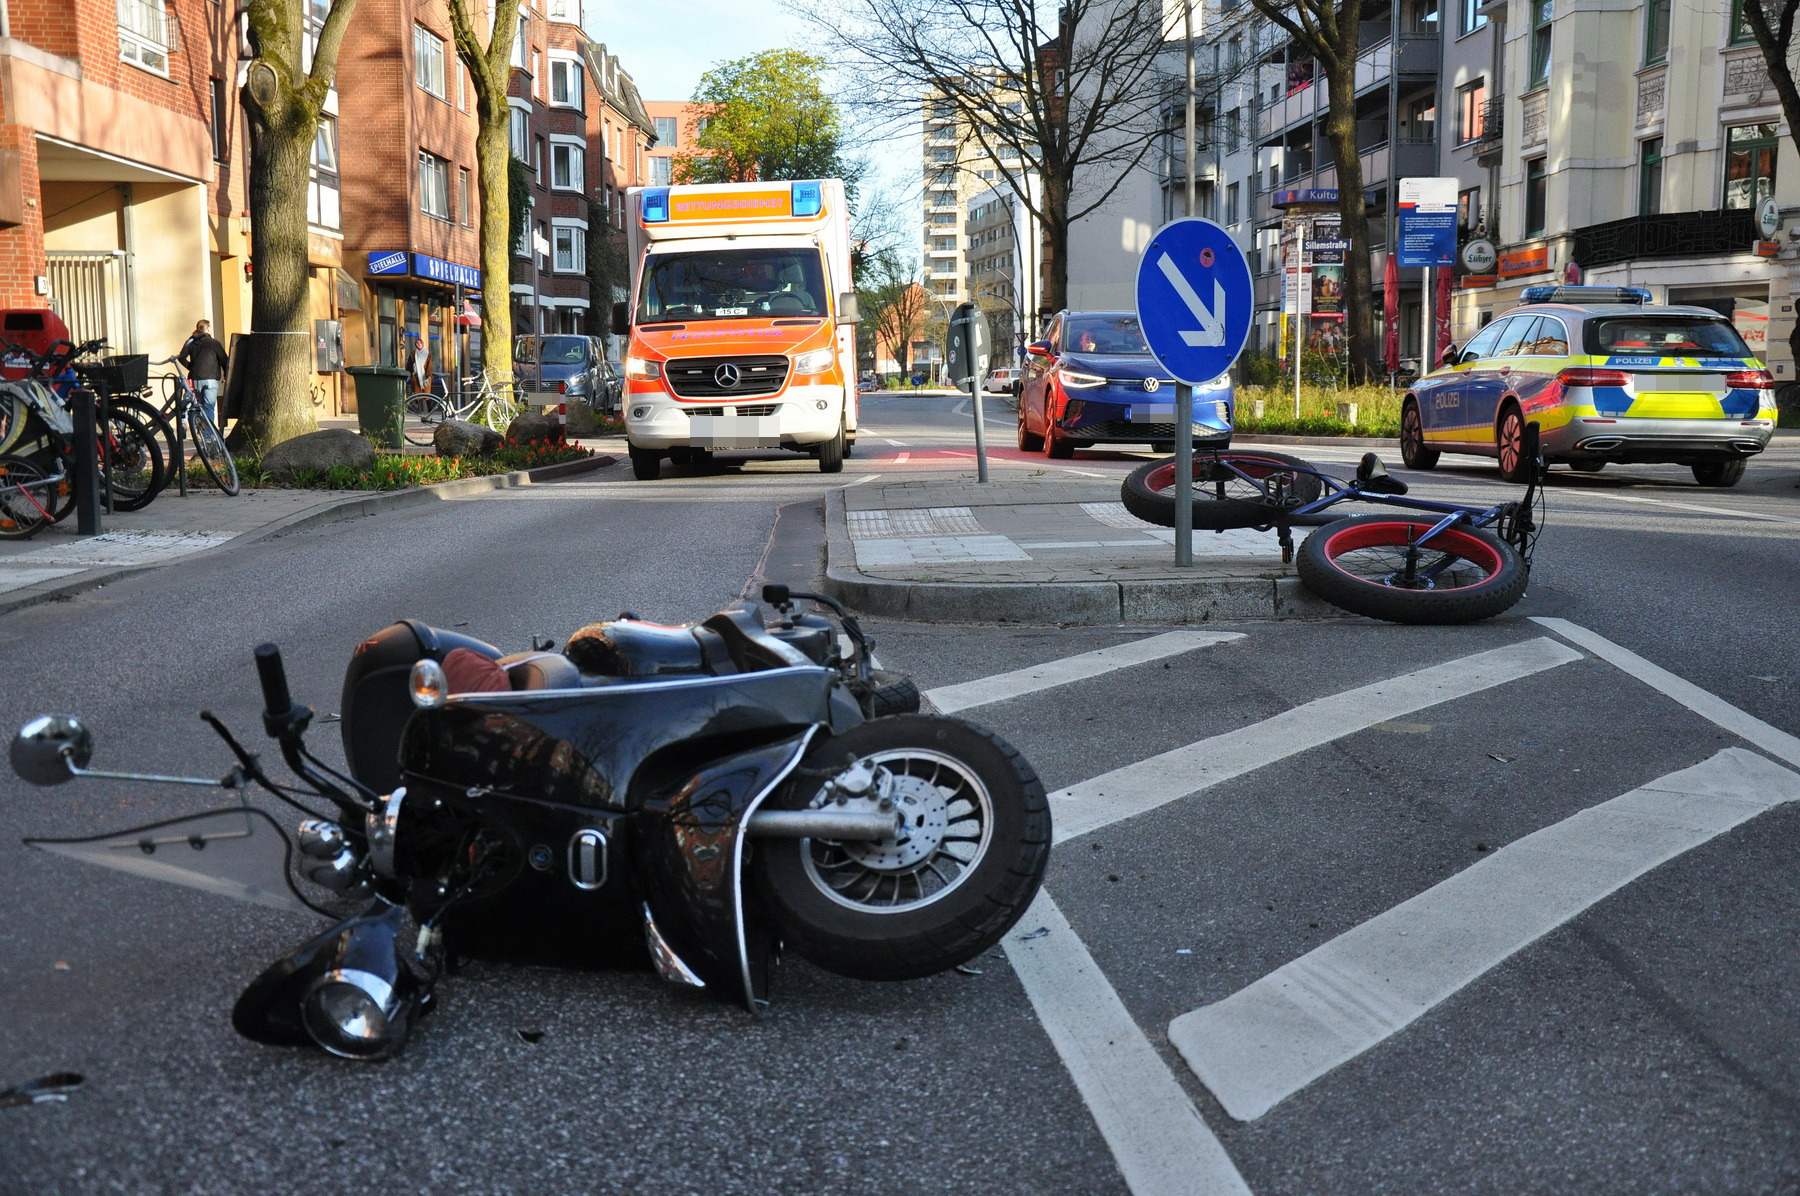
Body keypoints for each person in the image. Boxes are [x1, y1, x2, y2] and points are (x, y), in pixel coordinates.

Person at [177, 320, 229, 428]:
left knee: (197, 406)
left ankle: (197, 429)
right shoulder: (214, 343)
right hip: (211, 379)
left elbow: (181, 357)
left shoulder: (191, 342)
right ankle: (207, 435)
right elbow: (224, 360)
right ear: (208, 328)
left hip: (195, 379)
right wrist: (226, 375)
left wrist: (191, 367)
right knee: (209, 407)